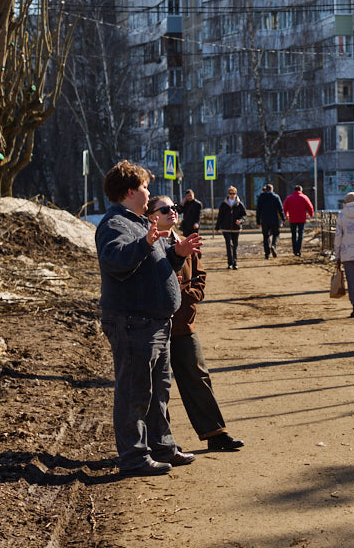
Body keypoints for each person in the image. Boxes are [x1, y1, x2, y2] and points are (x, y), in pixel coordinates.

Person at [95, 160, 202, 476]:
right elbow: (115, 261)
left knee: (158, 391)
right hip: (132, 321)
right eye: (145, 187)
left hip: (154, 321)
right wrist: (145, 244)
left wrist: (176, 254)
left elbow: (151, 266)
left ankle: (162, 447)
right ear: (130, 191)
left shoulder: (139, 223)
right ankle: (133, 457)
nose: (148, 192)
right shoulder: (115, 224)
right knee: (135, 391)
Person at [147, 195, 245, 453]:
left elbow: (200, 276)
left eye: (174, 207)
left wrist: (189, 295)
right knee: (157, 386)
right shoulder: (146, 244)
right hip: (153, 326)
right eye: (165, 209)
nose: (172, 211)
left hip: (183, 323)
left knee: (198, 376)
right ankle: (162, 443)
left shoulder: (185, 241)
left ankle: (216, 434)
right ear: (151, 216)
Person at [215, 186, 247, 269]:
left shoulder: (240, 204)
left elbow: (244, 215)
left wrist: (240, 221)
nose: (232, 195)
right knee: (228, 244)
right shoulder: (223, 204)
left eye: (233, 193)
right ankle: (229, 263)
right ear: (228, 194)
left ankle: (235, 263)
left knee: (235, 246)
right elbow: (220, 216)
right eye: (230, 193)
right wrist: (217, 227)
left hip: (236, 228)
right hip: (226, 228)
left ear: (236, 194)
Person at [282, 185, 315, 257]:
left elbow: (284, 208)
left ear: (294, 190)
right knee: (300, 234)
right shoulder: (304, 197)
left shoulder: (289, 198)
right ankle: (298, 249)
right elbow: (310, 207)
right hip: (301, 218)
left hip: (292, 218)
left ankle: (294, 250)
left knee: (293, 234)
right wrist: (310, 214)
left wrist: (286, 215)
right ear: (301, 190)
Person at [255, 184, 285, 259]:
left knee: (266, 236)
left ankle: (267, 254)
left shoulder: (261, 197)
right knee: (276, 234)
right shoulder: (276, 197)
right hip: (274, 219)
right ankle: (273, 245)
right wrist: (283, 218)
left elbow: (258, 210)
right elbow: (280, 209)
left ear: (266, 189)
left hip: (264, 220)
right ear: (272, 189)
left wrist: (258, 221)